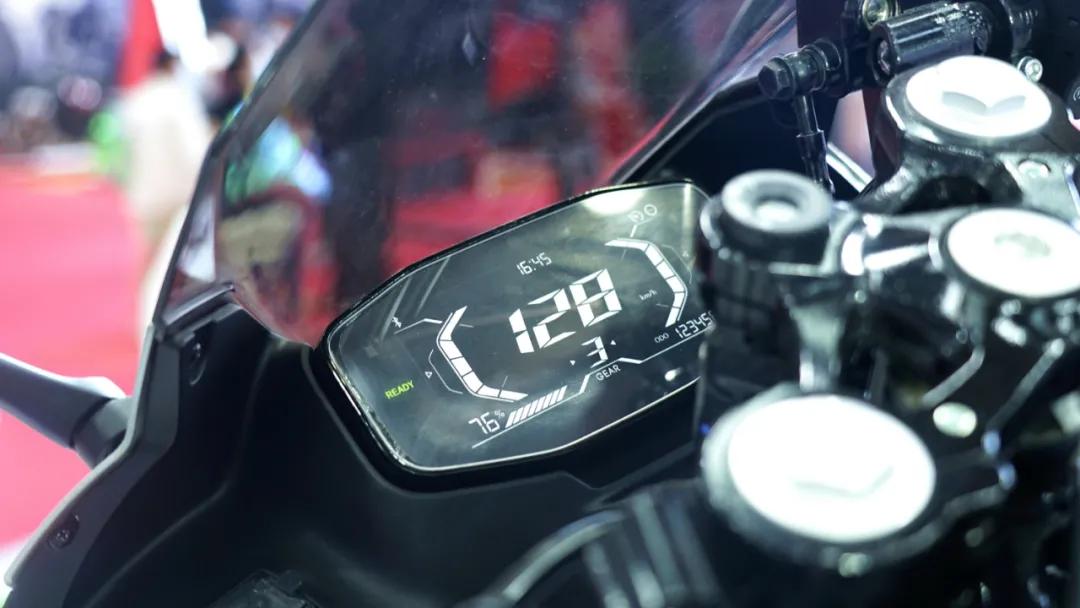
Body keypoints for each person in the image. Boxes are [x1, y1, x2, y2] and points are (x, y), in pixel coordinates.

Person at [117, 50, 213, 330]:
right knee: (170, 266)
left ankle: (141, 318)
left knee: (149, 259)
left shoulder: (136, 99)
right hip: (176, 194)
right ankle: (155, 322)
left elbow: (120, 151)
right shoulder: (179, 100)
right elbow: (196, 150)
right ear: (172, 66)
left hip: (142, 194)